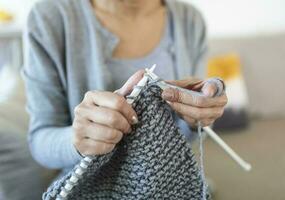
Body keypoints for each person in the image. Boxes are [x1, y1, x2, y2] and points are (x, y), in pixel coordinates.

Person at [23, 0, 227, 179]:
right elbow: (40, 140)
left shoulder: (190, 21)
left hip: (168, 184)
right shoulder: (48, 20)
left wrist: (199, 116)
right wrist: (77, 138)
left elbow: (189, 137)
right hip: (88, 189)